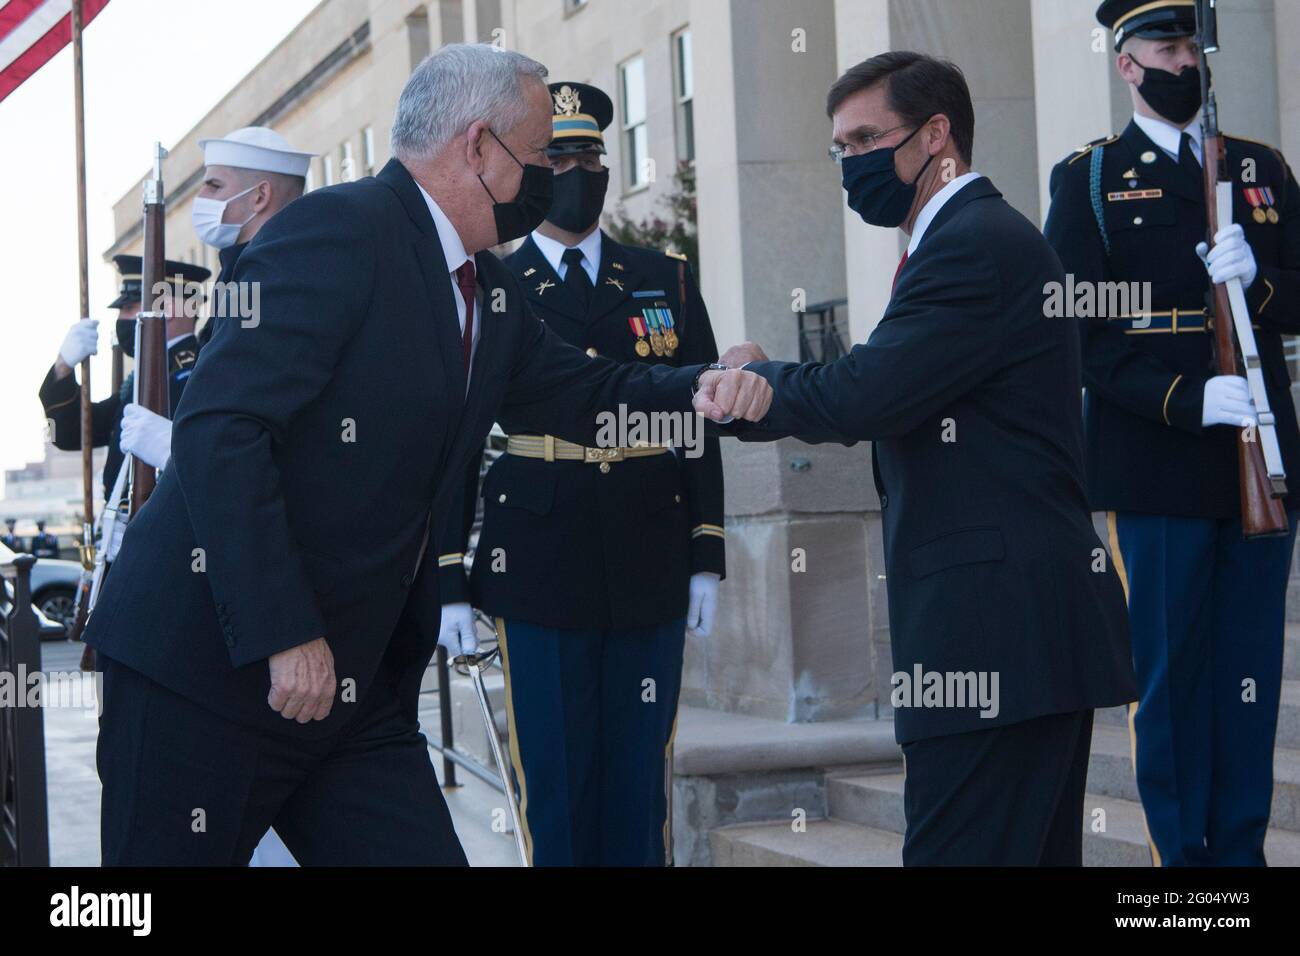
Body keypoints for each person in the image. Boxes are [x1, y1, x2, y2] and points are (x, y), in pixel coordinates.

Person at [82, 43, 769, 866]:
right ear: (477, 147)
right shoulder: (334, 233)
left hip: (352, 697)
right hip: (206, 677)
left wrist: (709, 385)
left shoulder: (487, 284)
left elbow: (582, 392)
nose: (549, 176)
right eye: (539, 153)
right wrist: (282, 632)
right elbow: (223, 432)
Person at [720, 51, 1135, 865]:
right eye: (840, 148)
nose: (852, 165)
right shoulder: (963, 241)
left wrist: (757, 387)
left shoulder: (973, 245)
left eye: (868, 138)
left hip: (997, 640)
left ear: (938, 134)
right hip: (1015, 640)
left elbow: (870, 391)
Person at [436, 81, 725, 866]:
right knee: (557, 784)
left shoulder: (665, 278)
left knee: (639, 781)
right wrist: (450, 575)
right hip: (538, 555)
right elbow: (460, 435)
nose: (576, 169)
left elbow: (697, 418)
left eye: (589, 154)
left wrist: (706, 552)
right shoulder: (490, 282)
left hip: (648, 546)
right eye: (557, 155)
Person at [1043, 0, 1300, 866]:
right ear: (1126, 63)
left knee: (1249, 680)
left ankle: (1240, 859)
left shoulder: (1258, 167)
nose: (1184, 61)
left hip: (1259, 463)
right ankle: (1182, 875)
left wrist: (1259, 278)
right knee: (1170, 681)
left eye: (1193, 44)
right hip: (1156, 467)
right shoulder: (1089, 180)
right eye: (1165, 45)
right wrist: (1189, 401)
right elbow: (1082, 333)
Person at [40, 256, 210, 502]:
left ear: (169, 309)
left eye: (130, 308)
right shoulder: (142, 379)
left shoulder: (192, 375)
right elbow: (69, 434)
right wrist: (63, 367)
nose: (122, 319)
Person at [193, 126, 313, 345]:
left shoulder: (273, 276)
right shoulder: (241, 268)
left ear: (260, 196)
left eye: (214, 186)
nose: (201, 197)